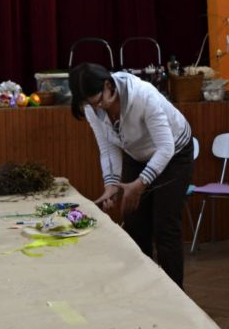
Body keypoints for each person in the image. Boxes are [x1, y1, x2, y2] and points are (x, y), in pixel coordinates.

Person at [68, 62, 194, 288]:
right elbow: (108, 148)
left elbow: (166, 148)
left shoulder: (143, 95)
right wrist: (111, 186)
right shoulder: (92, 105)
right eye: (89, 104)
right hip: (138, 154)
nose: (96, 109)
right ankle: (143, 289)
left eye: (97, 101)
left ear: (108, 86)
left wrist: (140, 183)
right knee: (134, 223)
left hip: (175, 153)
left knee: (165, 226)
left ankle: (174, 294)